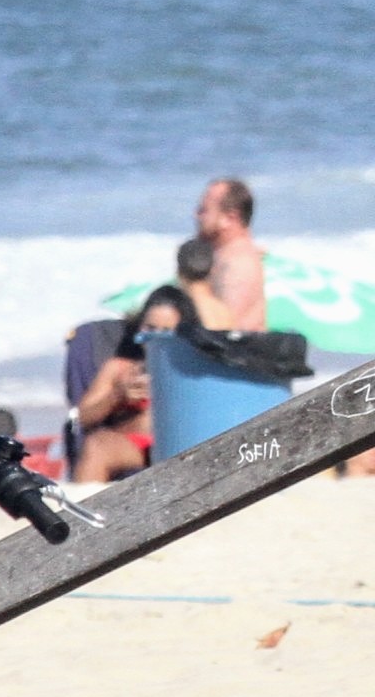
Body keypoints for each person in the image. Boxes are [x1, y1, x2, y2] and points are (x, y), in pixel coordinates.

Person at [68, 286, 195, 482]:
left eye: (166, 331)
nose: (155, 338)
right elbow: (81, 418)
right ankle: (82, 511)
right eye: (150, 328)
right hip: (137, 447)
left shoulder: (192, 368)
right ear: (139, 327)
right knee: (96, 447)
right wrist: (117, 396)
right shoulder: (120, 368)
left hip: (182, 444)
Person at [194, 179, 266, 331]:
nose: (196, 216)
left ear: (229, 218)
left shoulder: (238, 264)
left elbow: (226, 331)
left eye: (203, 210)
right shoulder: (225, 256)